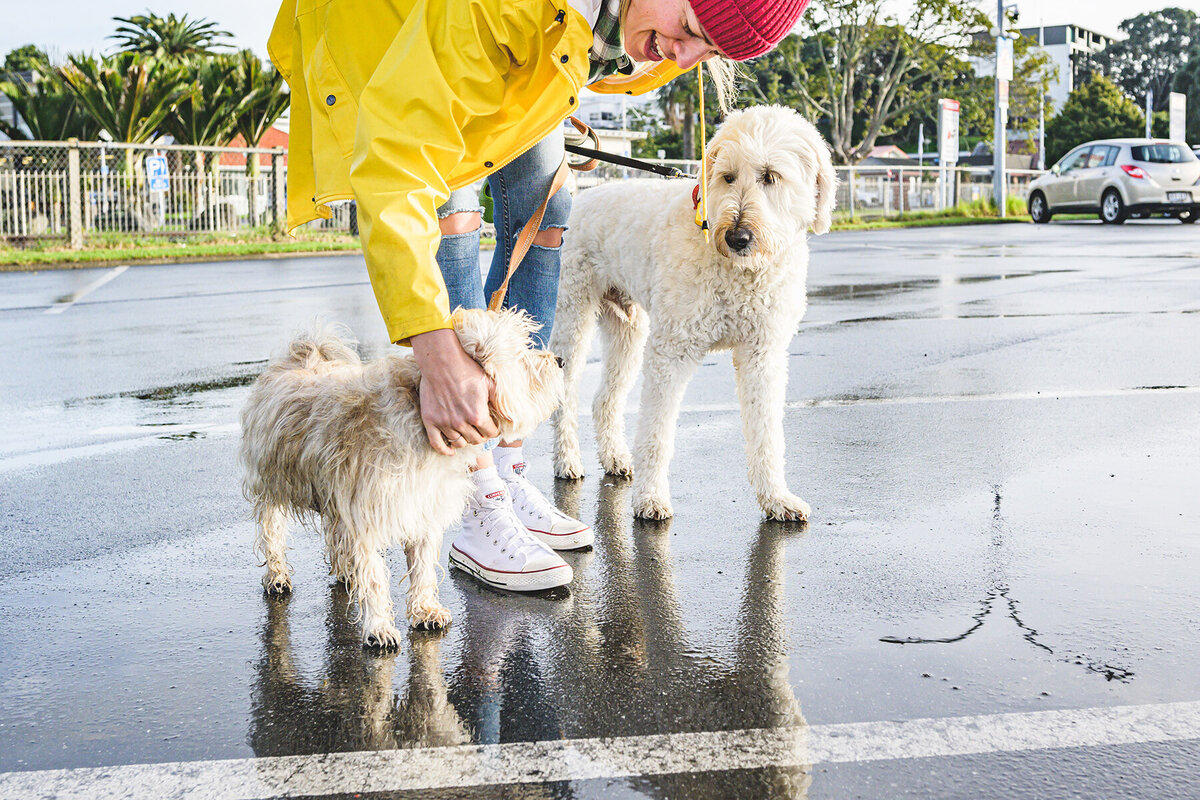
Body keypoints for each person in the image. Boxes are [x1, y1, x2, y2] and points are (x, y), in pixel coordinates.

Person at [269, 0, 810, 592]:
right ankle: (474, 491)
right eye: (689, 30)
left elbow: (629, 42)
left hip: (533, 36)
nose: (684, 55)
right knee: (451, 209)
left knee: (547, 208)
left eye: (706, 49)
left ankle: (506, 461)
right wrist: (436, 351)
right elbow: (398, 163)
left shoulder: (649, 27)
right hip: (390, 31)